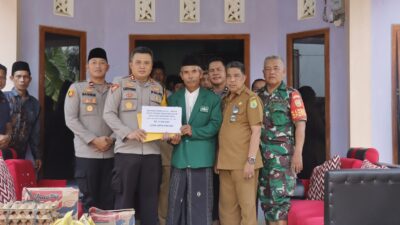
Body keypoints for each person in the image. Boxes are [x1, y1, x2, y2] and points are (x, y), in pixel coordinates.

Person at [103, 46, 166, 225]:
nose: (142, 66)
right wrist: (127, 132)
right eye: (138, 62)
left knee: (150, 202)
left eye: (146, 63)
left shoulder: (158, 87)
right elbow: (108, 113)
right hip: (126, 153)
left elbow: (163, 119)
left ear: (152, 65)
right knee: (123, 201)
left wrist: (168, 132)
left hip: (152, 154)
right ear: (131, 64)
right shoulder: (120, 83)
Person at [165, 56, 222, 225]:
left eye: (194, 72)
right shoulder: (173, 99)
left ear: (200, 74)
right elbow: (169, 128)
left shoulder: (212, 99)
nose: (190, 76)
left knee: (200, 206)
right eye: (186, 72)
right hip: (180, 158)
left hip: (201, 159)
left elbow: (215, 125)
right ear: (181, 75)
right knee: (175, 203)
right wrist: (172, 139)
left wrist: (193, 131)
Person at [257, 56, 307, 225]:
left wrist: (298, 153)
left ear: (284, 72)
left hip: (283, 160)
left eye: (276, 68)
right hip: (261, 159)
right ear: (263, 72)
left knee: (280, 205)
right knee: (267, 204)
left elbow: (300, 126)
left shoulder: (292, 94)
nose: (271, 72)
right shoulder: (257, 96)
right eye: (268, 69)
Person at [64, 48, 115, 211]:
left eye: (102, 63)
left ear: (108, 67)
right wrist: (93, 140)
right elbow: (71, 119)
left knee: (109, 199)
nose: (98, 66)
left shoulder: (116, 90)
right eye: (94, 63)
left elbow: (123, 118)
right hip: (86, 153)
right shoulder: (77, 89)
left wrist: (112, 138)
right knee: (88, 201)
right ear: (87, 66)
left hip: (111, 152)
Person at [217, 61, 263, 225]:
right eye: (229, 76)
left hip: (244, 164)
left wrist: (250, 161)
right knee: (227, 210)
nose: (232, 80)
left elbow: (256, 131)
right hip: (226, 163)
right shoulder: (226, 100)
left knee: (247, 209)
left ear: (244, 77)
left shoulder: (251, 99)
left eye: (236, 76)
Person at [5, 61, 41, 169]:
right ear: (12, 78)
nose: (22, 80)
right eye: (18, 76)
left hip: (20, 155)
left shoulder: (34, 104)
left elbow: (35, 134)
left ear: (30, 79)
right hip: (2, 153)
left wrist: (37, 156)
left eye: (25, 77)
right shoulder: (3, 99)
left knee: (16, 182)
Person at [207, 57, 228, 225]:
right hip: (208, 150)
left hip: (230, 151)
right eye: (211, 70)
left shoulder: (235, 92)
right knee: (211, 193)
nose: (215, 73)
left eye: (218, 70)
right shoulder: (203, 95)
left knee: (228, 196)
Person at [297, 86, 325, 179]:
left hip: (307, 152)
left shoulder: (300, 112)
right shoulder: (312, 111)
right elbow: (322, 131)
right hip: (314, 153)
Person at [0, 64, 13, 159]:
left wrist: (8, 137)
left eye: (3, 78)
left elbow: (8, 124)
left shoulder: (4, 98)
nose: (0, 81)